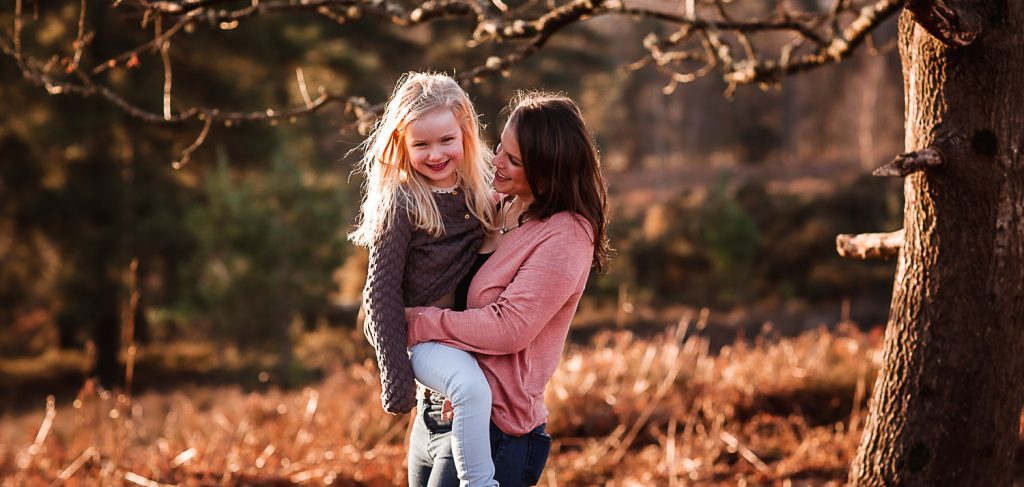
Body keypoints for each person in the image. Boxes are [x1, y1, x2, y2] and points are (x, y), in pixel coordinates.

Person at [406, 91, 610, 486]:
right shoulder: (498, 203)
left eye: (513, 161)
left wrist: (419, 322)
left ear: (549, 172)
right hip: (438, 410)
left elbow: (508, 328)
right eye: (500, 146)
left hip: (497, 429)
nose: (495, 161)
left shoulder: (565, 235)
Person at [349, 72, 500, 486]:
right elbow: (379, 294)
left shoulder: (481, 191)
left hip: (461, 333)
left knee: (469, 387)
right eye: (421, 144)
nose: (436, 154)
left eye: (446, 140)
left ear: (466, 132)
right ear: (402, 143)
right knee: (470, 387)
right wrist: (395, 376)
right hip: (420, 338)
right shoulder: (402, 201)